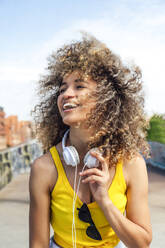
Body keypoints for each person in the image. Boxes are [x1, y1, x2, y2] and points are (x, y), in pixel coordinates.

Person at [29, 34, 152, 248]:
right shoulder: (44, 168)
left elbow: (141, 243)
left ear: (105, 99)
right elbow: (37, 245)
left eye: (79, 86)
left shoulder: (132, 163)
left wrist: (104, 200)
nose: (66, 94)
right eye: (62, 89)